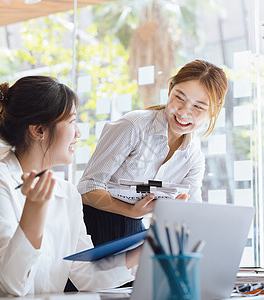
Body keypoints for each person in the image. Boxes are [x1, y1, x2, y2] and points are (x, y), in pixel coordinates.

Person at [0, 76, 139, 297]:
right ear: (39, 130)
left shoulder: (68, 193)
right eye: (71, 121)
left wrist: (146, 251)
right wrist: (34, 209)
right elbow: (12, 284)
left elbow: (85, 273)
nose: (78, 133)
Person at [78, 59, 228, 246]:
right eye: (179, 98)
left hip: (136, 239)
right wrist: (131, 211)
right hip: (91, 230)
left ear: (214, 111)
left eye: (198, 106)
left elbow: (191, 211)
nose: (184, 112)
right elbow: (86, 188)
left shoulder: (194, 157)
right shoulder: (133, 126)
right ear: (170, 89)